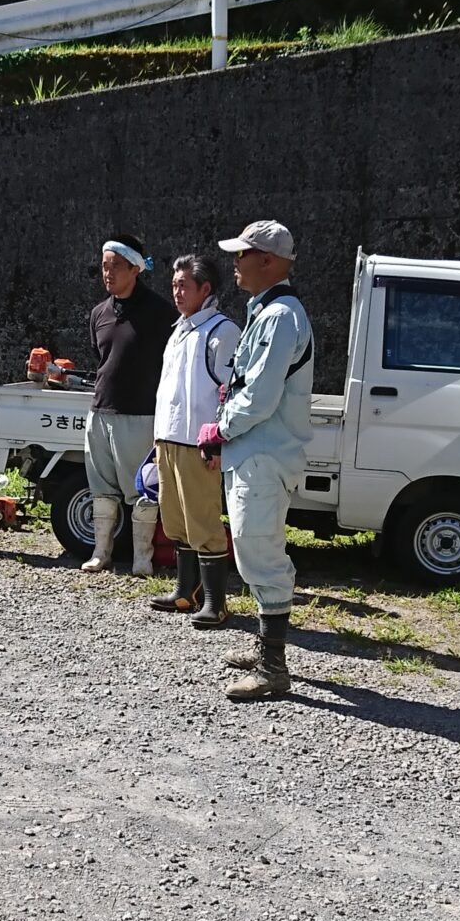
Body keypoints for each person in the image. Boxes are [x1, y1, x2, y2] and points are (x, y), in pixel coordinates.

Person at [202, 221, 313, 702]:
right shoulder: (267, 312)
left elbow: (261, 397)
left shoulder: (279, 316)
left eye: (242, 255)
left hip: (264, 454)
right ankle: (266, 645)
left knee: (259, 550)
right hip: (255, 452)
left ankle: (273, 667)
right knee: (252, 548)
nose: (235, 263)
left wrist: (221, 429)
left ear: (267, 260)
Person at [148, 253, 240, 622]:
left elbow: (230, 391)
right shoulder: (180, 329)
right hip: (169, 437)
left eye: (184, 285)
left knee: (204, 521)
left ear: (206, 288)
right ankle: (185, 592)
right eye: (174, 284)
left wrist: (217, 440)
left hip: (198, 441)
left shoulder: (222, 330)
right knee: (175, 520)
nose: (177, 291)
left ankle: (215, 603)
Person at [78, 237, 175, 573]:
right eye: (104, 265)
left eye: (116, 265)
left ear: (136, 268)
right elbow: (100, 357)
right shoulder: (98, 313)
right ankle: (101, 552)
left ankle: (142, 558)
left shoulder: (161, 313)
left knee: (141, 488)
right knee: (102, 487)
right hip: (100, 410)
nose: (108, 272)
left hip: (140, 414)